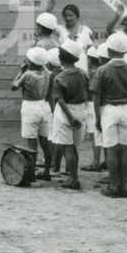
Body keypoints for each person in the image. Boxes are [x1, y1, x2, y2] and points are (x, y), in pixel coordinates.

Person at [90, 32, 127, 199]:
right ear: (125, 51)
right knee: (124, 148)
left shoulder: (103, 70)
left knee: (111, 148)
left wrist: (97, 118)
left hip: (108, 110)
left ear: (109, 51)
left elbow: (96, 96)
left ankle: (114, 185)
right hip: (126, 109)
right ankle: (123, 186)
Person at [50, 41, 90, 190]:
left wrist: (71, 117)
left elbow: (60, 100)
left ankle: (73, 179)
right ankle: (73, 175)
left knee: (67, 147)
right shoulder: (84, 74)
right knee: (73, 147)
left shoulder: (59, 78)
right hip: (81, 109)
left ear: (60, 58)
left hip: (65, 112)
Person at [11, 46, 53, 181]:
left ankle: (32, 172)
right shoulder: (47, 72)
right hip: (44, 105)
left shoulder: (27, 74)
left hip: (30, 107)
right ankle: (47, 171)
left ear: (30, 62)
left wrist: (20, 72)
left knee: (31, 143)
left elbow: (13, 86)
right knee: (45, 141)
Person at [81, 45, 105, 172]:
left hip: (92, 104)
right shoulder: (103, 71)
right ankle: (105, 160)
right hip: (101, 103)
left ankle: (96, 161)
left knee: (95, 134)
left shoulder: (91, 73)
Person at [57, 4, 94, 72]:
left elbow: (90, 51)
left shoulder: (86, 30)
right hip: (65, 68)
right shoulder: (59, 29)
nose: (68, 18)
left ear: (77, 16)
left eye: (71, 15)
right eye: (65, 15)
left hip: (82, 66)